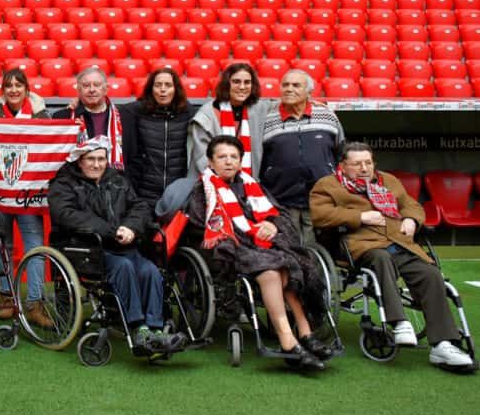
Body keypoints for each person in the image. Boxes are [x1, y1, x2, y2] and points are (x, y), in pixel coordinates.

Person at [310, 142, 474, 371]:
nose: (364, 168)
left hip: (400, 242)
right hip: (361, 245)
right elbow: (320, 215)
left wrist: (411, 220)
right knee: (380, 259)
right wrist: (360, 216)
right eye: (357, 164)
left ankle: (443, 344)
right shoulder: (327, 185)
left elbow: (411, 205)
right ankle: (399, 322)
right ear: (343, 166)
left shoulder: (388, 180)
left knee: (429, 273)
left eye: (368, 162)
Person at [186, 135, 333, 370]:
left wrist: (272, 225)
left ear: (241, 161)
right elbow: (201, 226)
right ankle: (288, 340)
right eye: (222, 157)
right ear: (211, 163)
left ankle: (306, 334)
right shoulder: (203, 191)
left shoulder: (251, 184)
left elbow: (278, 213)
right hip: (231, 248)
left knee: (292, 268)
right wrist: (243, 233)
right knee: (273, 272)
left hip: (266, 245)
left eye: (234, 157)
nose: (229, 161)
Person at [48, 137, 184, 354]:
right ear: (79, 161)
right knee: (124, 268)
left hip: (123, 244)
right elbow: (67, 215)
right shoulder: (63, 184)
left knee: (150, 270)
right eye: (90, 159)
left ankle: (156, 329)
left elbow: (139, 206)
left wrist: (130, 227)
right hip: (87, 248)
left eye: (101, 159)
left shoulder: (117, 179)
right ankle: (138, 327)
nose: (97, 164)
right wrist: (112, 231)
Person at [0, 68, 50, 321]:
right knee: (2, 246)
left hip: (29, 192)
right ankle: (8, 297)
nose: (13, 89)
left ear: (26, 89)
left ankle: (34, 304)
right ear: (3, 90)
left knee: (34, 246)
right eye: (8, 85)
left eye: (18, 85)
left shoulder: (41, 115)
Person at [259, 69, 344, 246]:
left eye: (296, 85)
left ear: (309, 92)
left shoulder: (327, 115)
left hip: (321, 198)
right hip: (282, 198)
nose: (289, 89)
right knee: (291, 247)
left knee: (321, 248)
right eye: (285, 85)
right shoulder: (266, 119)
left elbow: (340, 151)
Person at [120, 68, 197, 207]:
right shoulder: (134, 111)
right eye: (158, 85)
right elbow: (102, 109)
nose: (163, 89)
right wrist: (79, 104)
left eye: (168, 85)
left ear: (176, 89)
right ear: (151, 89)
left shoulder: (189, 113)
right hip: (143, 192)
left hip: (178, 193)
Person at [188, 62, 271, 176]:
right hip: (210, 182)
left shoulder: (260, 109)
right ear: (227, 84)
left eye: (247, 82)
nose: (242, 87)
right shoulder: (208, 114)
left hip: (249, 183)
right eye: (236, 82)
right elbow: (202, 157)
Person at [51, 66, 125, 169]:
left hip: (116, 180)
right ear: (78, 89)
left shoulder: (124, 117)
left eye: (97, 85)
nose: (92, 90)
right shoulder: (63, 117)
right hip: (75, 181)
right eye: (86, 85)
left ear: (106, 89)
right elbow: (56, 157)